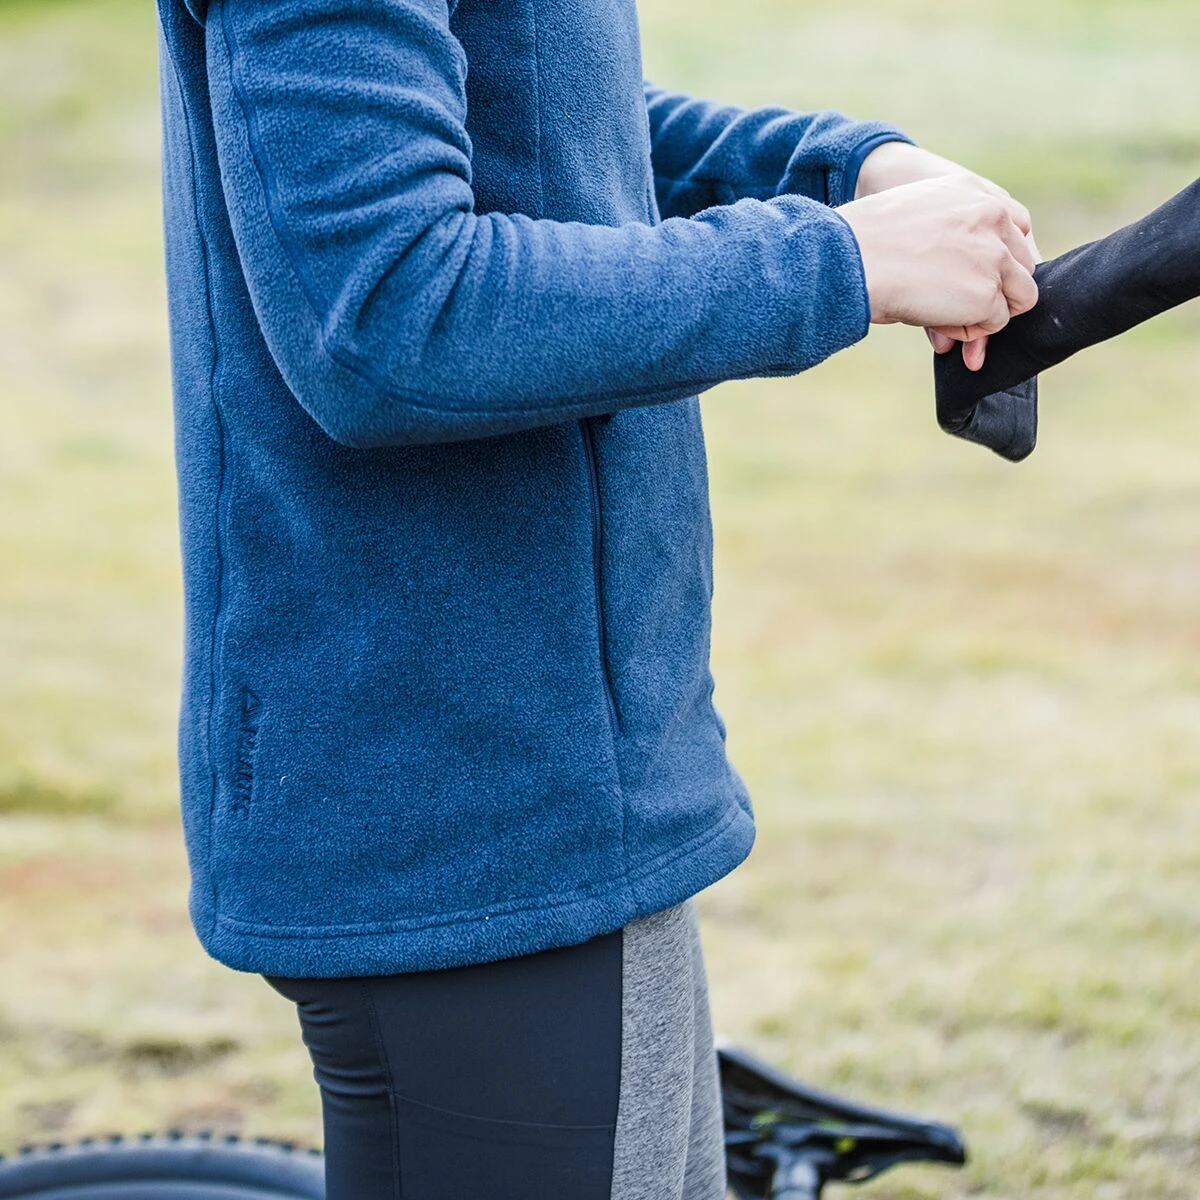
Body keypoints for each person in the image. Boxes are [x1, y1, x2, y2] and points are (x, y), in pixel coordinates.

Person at [154, 0, 1038, 1196]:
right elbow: (389, 309)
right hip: (465, 802)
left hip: (574, 771)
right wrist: (837, 258)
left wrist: (842, 171)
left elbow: (536, 124)